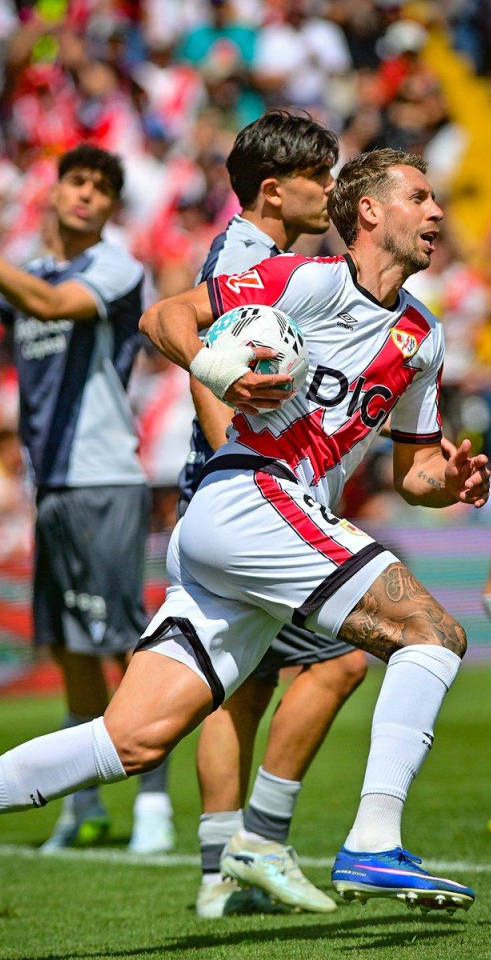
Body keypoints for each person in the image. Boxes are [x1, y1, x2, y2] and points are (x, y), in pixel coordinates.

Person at [0, 148, 488, 918]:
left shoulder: (423, 337)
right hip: (253, 494)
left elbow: (414, 474)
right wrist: (220, 372)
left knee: (129, 739)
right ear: (370, 212)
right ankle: (372, 842)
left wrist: (454, 483)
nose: (438, 213)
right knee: (432, 635)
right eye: (420, 197)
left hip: (243, 527)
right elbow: (161, 316)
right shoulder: (305, 281)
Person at [0, 143, 174, 854]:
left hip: (105, 477)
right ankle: (86, 808)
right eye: (75, 182)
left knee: (121, 647)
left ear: (111, 207)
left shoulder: (113, 268)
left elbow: (46, 303)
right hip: (49, 487)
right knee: (73, 648)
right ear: (53, 193)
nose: (87, 195)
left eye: (101, 189)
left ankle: (154, 803)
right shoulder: (30, 270)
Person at [180, 110, 367, 918]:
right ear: (273, 190)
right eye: (320, 177)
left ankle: (220, 875)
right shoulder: (249, 258)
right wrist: (249, 469)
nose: (331, 189)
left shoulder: (267, 254)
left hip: (225, 495)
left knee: (240, 689)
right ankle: (263, 838)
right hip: (249, 495)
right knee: (343, 658)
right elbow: (206, 365)